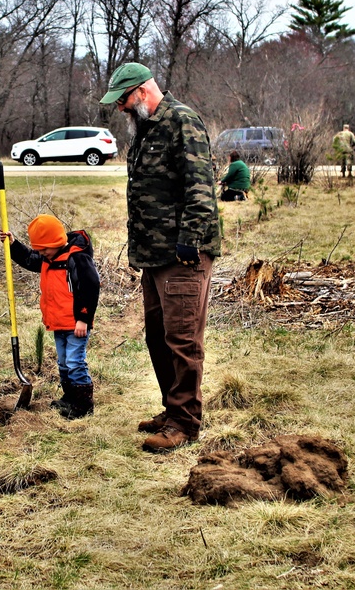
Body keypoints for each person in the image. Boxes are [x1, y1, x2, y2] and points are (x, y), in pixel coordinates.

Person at [99, 62, 221, 452]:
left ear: (141, 91)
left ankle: (184, 423)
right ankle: (172, 409)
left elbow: (200, 187)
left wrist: (190, 240)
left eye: (122, 101)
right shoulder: (145, 129)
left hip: (182, 255)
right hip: (152, 256)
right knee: (157, 337)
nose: (120, 109)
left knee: (183, 339)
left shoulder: (182, 121)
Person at [0, 214, 100, 419]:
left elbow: (90, 288)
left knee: (75, 362)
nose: (41, 254)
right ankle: (69, 397)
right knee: (63, 363)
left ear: (57, 242)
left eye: (44, 249)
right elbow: (29, 259)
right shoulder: (49, 257)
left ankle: (82, 405)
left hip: (75, 324)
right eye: (39, 250)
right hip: (58, 323)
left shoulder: (77, 258)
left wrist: (83, 318)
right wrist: (13, 245)